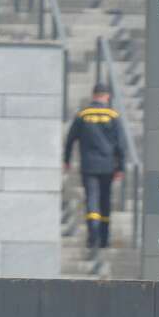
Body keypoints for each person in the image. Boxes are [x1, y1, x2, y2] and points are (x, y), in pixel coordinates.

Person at [62, 81, 129, 250]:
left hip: (89, 165)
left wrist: (67, 160)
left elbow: (70, 139)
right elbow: (121, 144)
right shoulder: (113, 116)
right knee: (105, 199)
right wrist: (121, 167)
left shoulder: (83, 115)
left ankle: (93, 234)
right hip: (108, 165)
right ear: (107, 96)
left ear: (93, 95)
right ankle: (104, 239)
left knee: (92, 198)